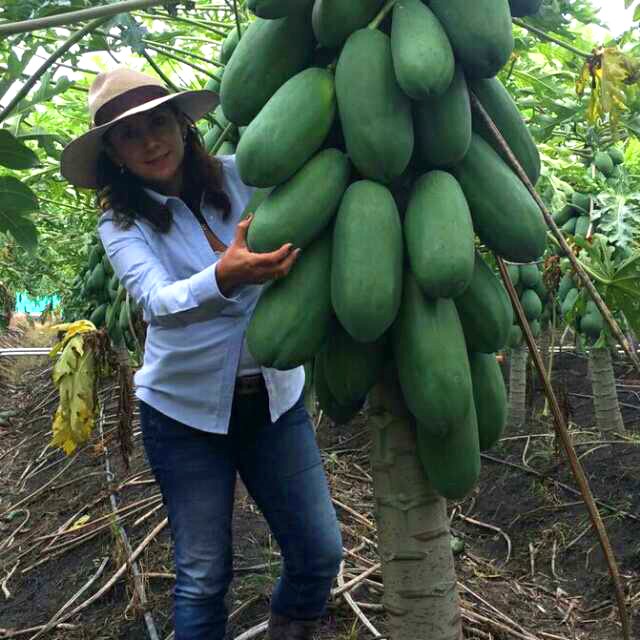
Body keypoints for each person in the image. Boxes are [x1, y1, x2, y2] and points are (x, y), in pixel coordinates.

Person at [60, 67, 343, 640]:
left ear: (184, 126)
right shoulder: (121, 225)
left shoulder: (248, 179)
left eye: (158, 123)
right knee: (202, 576)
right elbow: (156, 301)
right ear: (112, 153)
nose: (149, 142)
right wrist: (223, 276)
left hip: (274, 403)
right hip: (182, 415)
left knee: (319, 553)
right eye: (129, 135)